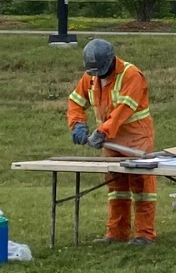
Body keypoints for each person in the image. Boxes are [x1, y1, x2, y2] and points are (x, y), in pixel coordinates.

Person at [65, 38, 157, 244]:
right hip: (111, 140)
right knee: (116, 187)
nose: (98, 77)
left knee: (142, 187)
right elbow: (75, 101)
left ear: (112, 60)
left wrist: (102, 131)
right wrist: (77, 124)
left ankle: (144, 234)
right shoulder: (90, 77)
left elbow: (123, 110)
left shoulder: (131, 75)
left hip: (136, 140)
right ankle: (116, 233)